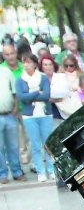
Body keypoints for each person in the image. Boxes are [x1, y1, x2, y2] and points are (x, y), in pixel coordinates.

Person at [15, 53, 55, 182]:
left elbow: (47, 95)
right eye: (24, 62)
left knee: (48, 144)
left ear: (34, 64)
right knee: (35, 144)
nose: (26, 65)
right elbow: (22, 98)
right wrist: (37, 92)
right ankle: (40, 171)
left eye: (28, 62)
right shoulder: (20, 80)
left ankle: (51, 170)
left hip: (45, 114)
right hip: (29, 116)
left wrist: (31, 95)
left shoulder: (43, 78)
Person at [0, 64, 26, 184]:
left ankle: (17, 172)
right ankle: (2, 174)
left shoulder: (6, 71)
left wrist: (15, 109)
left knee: (14, 146)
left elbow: (15, 93)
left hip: (10, 114)